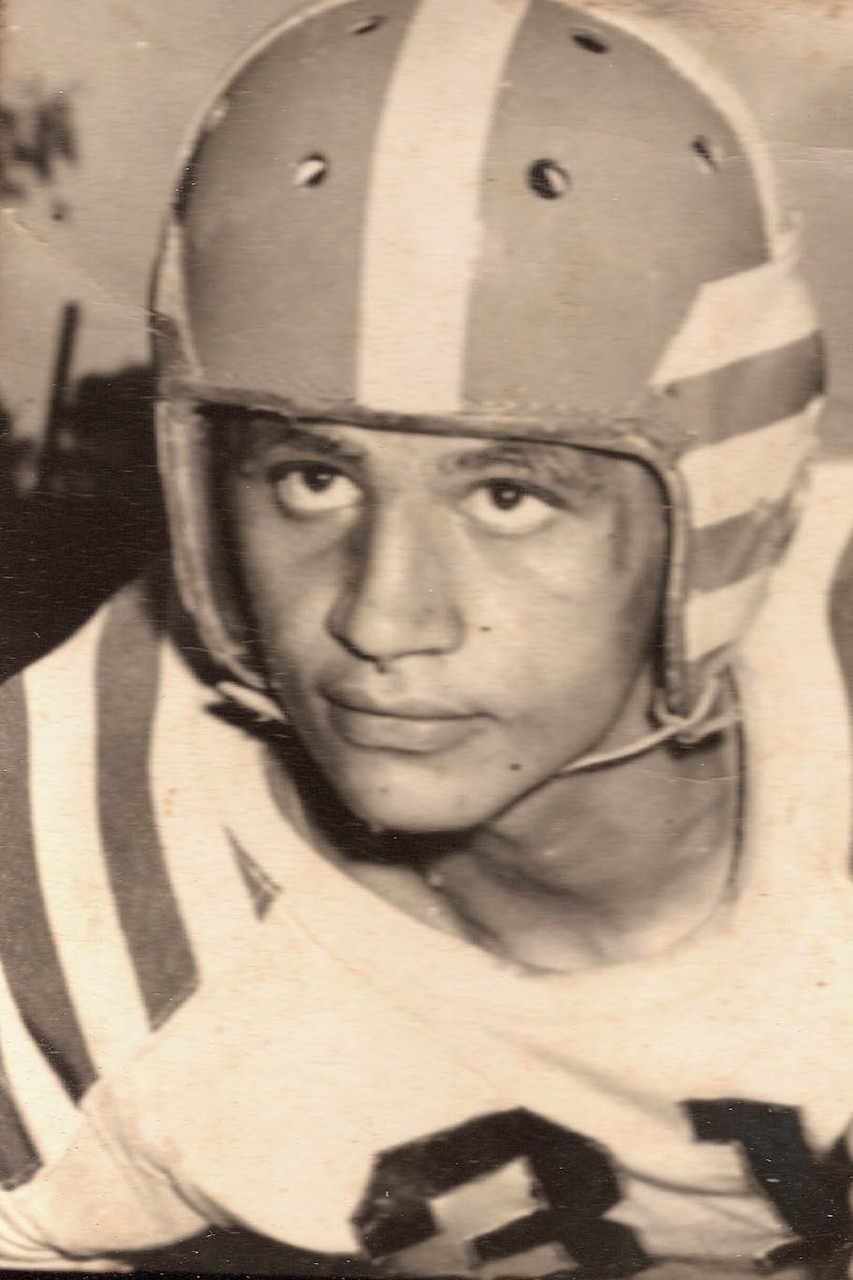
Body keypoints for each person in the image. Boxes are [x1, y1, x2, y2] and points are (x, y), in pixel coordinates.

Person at [0, 0, 851, 1274]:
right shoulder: (68, 858)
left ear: (719, 512)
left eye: (508, 495)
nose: (381, 618)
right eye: (310, 478)